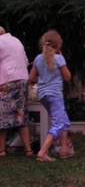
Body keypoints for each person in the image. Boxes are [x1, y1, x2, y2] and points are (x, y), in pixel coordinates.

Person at [28, 30, 74, 161]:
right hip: (55, 95)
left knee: (63, 120)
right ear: (58, 45)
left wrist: (43, 79)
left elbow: (31, 77)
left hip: (43, 95)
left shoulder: (38, 58)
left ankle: (64, 150)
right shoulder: (59, 59)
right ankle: (42, 152)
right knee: (59, 123)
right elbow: (67, 77)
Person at [0, 26, 33, 157]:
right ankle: (28, 150)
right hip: (22, 79)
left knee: (2, 117)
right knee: (21, 115)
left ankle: (1, 150)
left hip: (7, 80)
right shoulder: (16, 40)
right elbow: (25, 61)